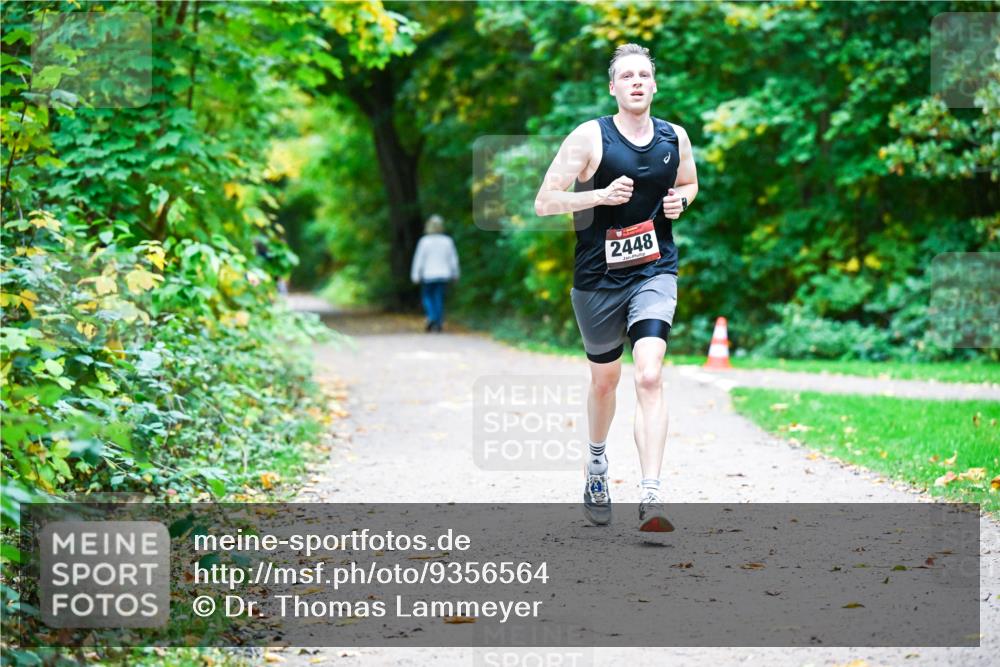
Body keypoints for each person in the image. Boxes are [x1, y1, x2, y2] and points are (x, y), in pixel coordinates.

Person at [533, 43, 698, 532]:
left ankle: (651, 496)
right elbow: (544, 202)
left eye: (644, 75)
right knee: (605, 381)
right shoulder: (589, 137)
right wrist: (599, 196)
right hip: (597, 280)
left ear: (654, 83)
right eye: (626, 76)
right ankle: (598, 465)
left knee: (649, 375)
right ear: (613, 87)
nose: (636, 82)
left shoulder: (675, 137)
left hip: (654, 270)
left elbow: (689, 184)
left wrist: (680, 204)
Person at [410, 214, 460, 333]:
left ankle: (431, 317)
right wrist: (456, 273)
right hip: (443, 274)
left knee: (427, 297)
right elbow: (453, 259)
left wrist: (415, 275)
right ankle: (438, 322)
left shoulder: (424, 241)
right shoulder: (447, 241)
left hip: (429, 275)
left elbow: (419, 259)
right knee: (439, 298)